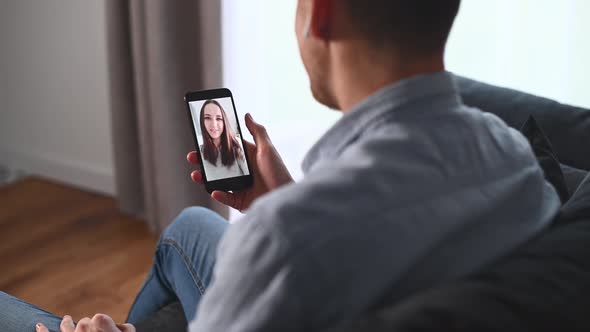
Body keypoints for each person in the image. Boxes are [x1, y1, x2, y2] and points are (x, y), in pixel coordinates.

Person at [0, 0, 561, 331]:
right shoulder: (514, 155)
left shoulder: (284, 242)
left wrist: (281, 220)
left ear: (320, 15)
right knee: (190, 230)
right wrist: (281, 199)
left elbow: (307, 248)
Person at [197, 99, 248, 181]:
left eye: (218, 118)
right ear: (202, 122)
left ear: (224, 121)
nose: (213, 124)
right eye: (207, 118)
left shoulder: (236, 143)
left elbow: (248, 174)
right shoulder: (200, 151)